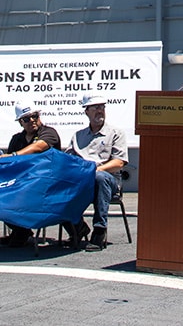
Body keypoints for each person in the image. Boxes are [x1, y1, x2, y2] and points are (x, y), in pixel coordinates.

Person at [64, 94, 128, 251]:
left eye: (102, 107)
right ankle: (77, 228)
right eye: (95, 108)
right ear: (86, 111)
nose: (100, 111)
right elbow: (68, 161)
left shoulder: (116, 133)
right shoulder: (78, 136)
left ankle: (99, 231)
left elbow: (119, 162)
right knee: (58, 184)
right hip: (82, 180)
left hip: (107, 180)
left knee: (99, 177)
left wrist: (95, 170)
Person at [0, 101, 61, 247]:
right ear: (20, 122)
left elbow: (39, 147)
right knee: (0, 196)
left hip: (49, 183)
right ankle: (21, 231)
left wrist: (14, 155)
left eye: (35, 116)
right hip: (23, 182)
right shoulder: (16, 139)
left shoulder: (49, 132)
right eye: (27, 119)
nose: (32, 120)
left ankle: (21, 232)